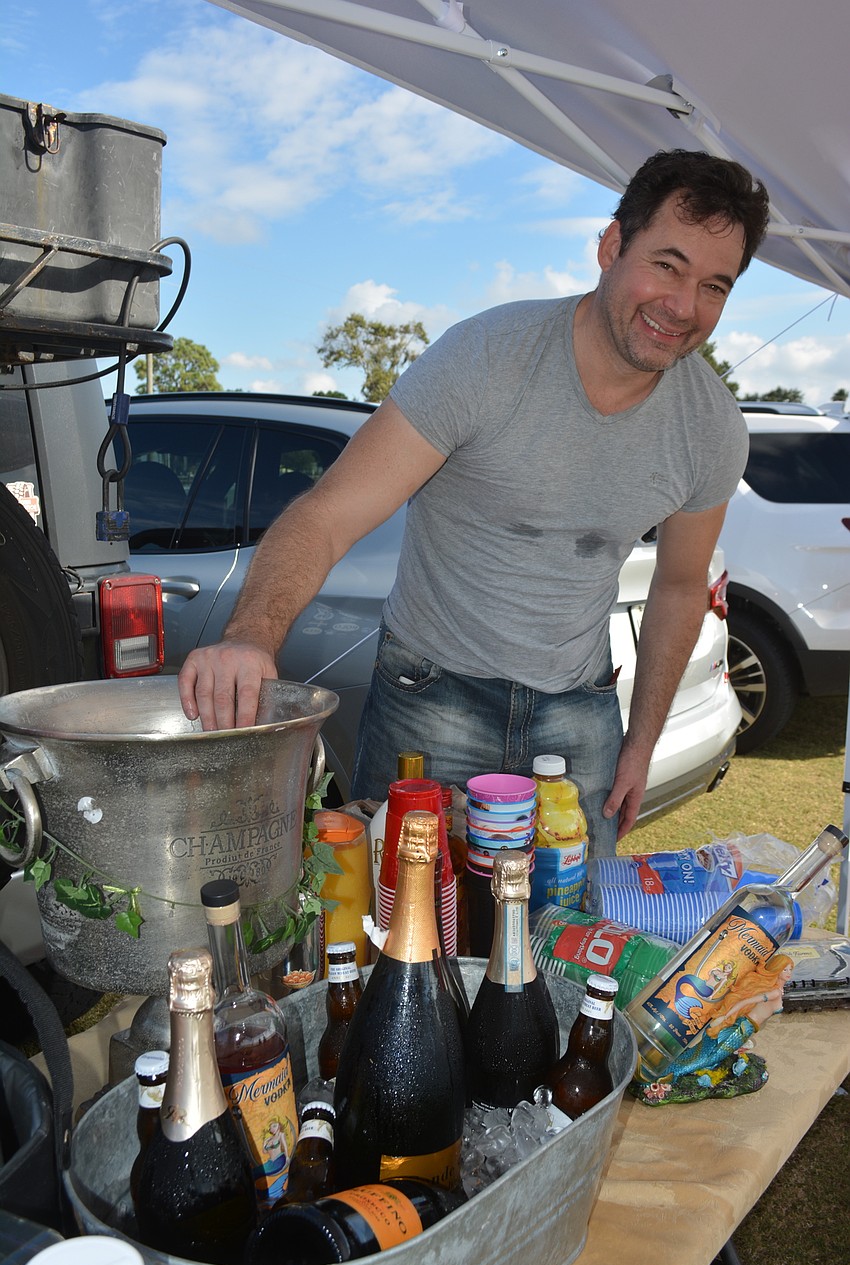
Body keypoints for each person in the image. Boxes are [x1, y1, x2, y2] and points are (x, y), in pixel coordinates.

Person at [177, 148, 770, 857]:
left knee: (568, 947)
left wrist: (641, 743)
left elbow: (679, 587)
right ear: (611, 245)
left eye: (714, 286)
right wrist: (251, 636)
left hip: (579, 716)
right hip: (431, 700)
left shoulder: (710, 427)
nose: (683, 307)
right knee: (408, 937)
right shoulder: (486, 358)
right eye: (667, 265)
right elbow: (328, 513)